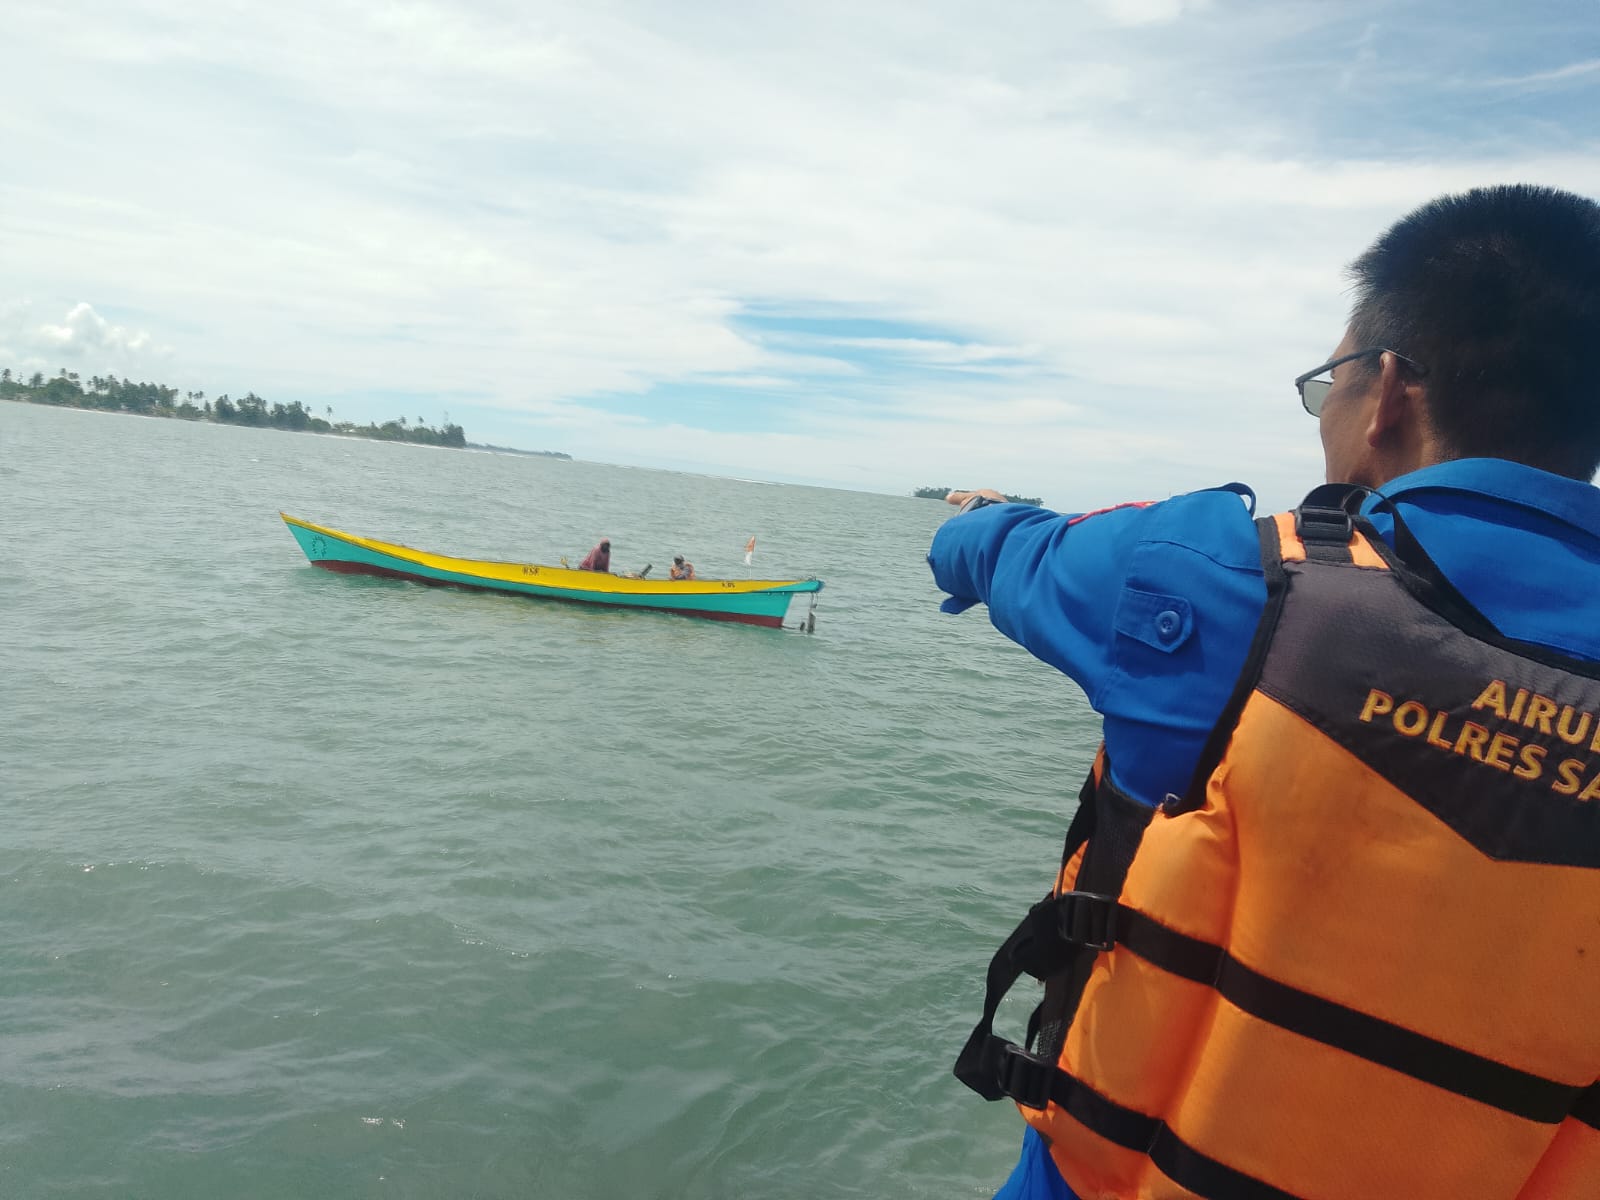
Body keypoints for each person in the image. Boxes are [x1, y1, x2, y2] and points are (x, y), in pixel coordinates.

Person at [928, 184, 1600, 1200]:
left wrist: (977, 520)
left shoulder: (1216, 578)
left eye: (1323, 382)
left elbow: (990, 551)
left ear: (1386, 395)